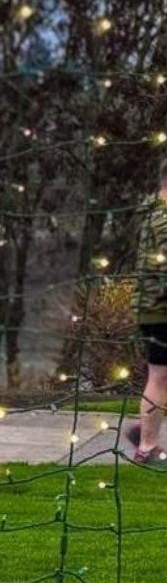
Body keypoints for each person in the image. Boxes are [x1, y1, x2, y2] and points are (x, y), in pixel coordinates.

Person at [125, 159, 167, 466]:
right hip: (161, 309)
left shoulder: (153, 212)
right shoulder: (163, 217)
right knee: (160, 376)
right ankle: (147, 446)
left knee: (161, 376)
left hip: (153, 307)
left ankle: (147, 430)